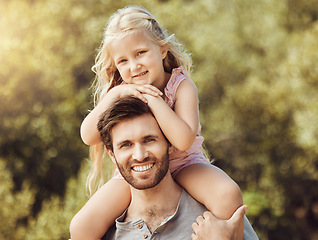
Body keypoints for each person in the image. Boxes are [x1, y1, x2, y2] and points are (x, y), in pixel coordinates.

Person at [70, 5, 245, 240]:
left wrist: (153, 99)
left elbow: (183, 140)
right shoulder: (120, 91)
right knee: (81, 226)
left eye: (140, 53)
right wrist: (112, 96)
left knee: (228, 194)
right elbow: (87, 135)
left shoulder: (181, 85)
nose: (134, 66)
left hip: (185, 164)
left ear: (162, 49)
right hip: (134, 172)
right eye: (123, 60)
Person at [96, 96, 258, 239]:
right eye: (126, 145)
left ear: (170, 144)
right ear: (112, 154)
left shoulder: (217, 219)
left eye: (149, 140)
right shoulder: (105, 233)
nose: (139, 155)